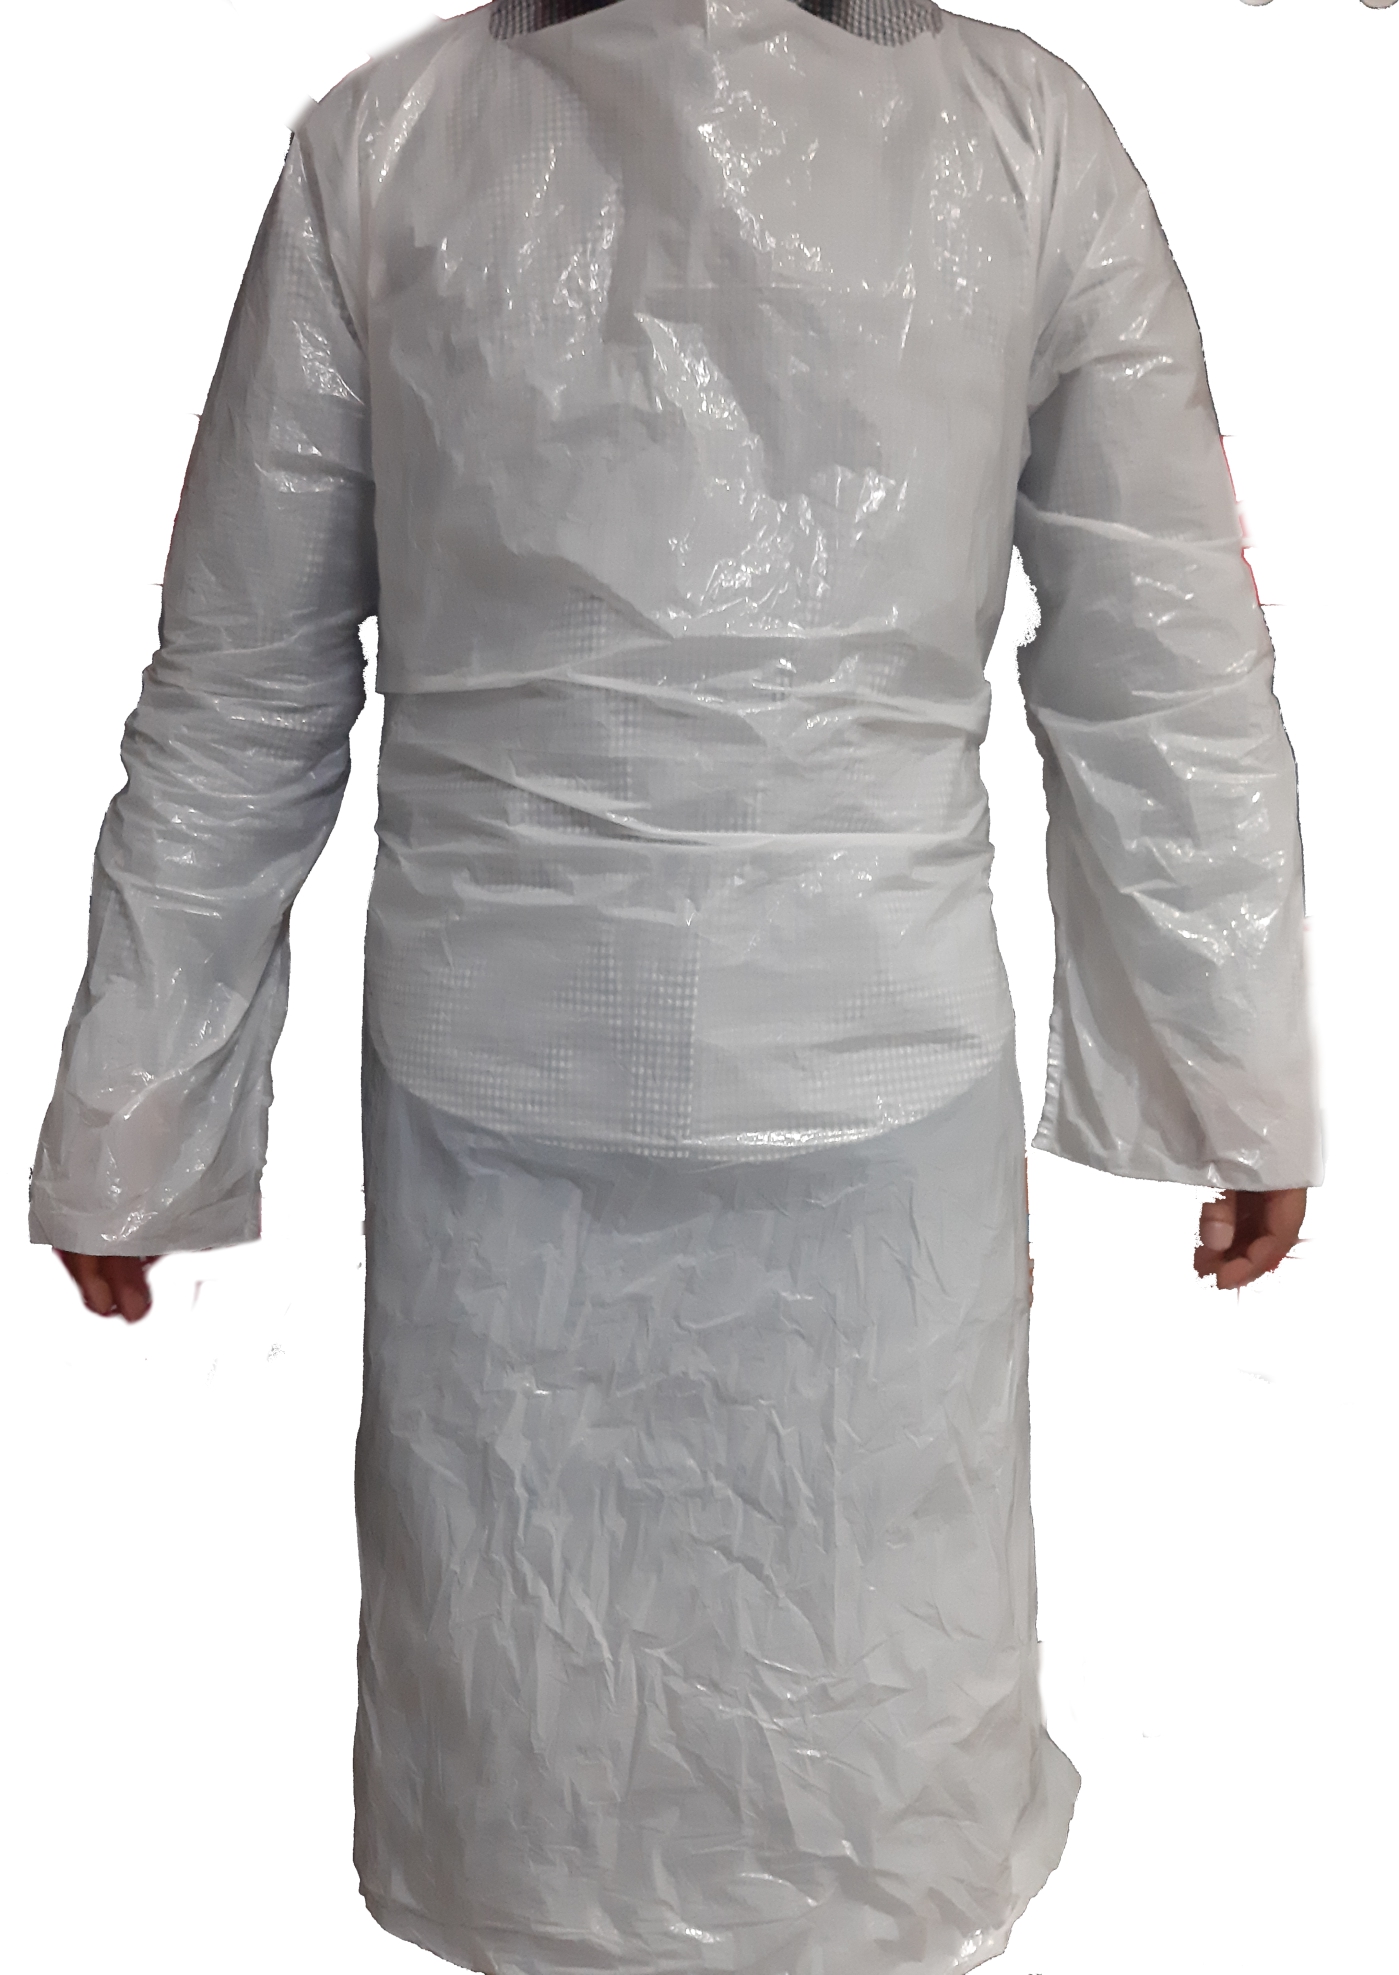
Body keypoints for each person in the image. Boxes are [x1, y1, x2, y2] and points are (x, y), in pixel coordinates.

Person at [30, 2, 1320, 1970]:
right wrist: (1234, 1066)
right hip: (862, 1083)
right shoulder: (1021, 137)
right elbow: (1168, 660)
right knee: (859, 1714)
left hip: (512, 1093)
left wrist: (137, 1112)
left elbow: (240, 689)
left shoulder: (388, 148)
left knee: (540, 1714)